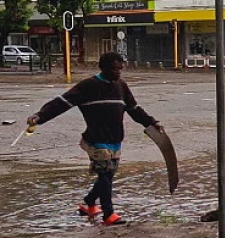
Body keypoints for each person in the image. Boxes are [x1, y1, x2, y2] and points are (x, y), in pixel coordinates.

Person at [23, 52, 164, 225]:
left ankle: (89, 201)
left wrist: (152, 123)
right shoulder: (88, 86)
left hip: (115, 138)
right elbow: (61, 103)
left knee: (108, 175)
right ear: (103, 68)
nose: (118, 72)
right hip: (95, 139)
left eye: (120, 69)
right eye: (114, 69)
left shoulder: (121, 86)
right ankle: (108, 214)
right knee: (104, 174)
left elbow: (135, 110)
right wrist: (39, 116)